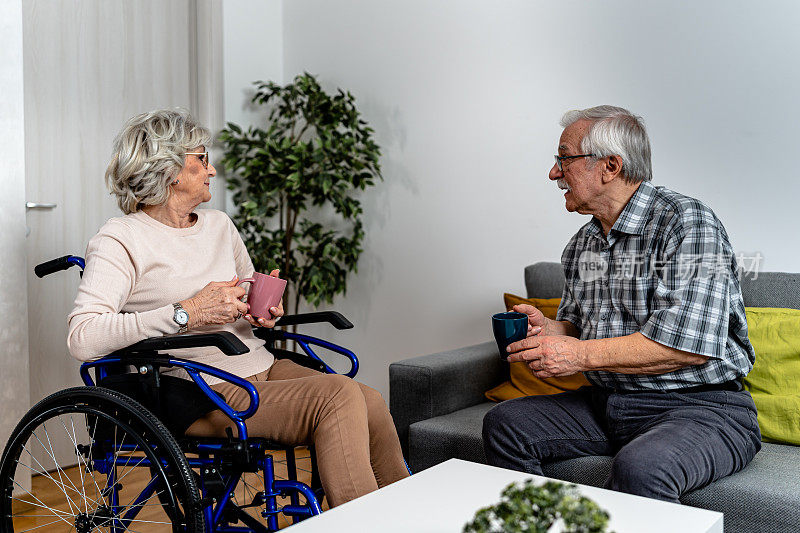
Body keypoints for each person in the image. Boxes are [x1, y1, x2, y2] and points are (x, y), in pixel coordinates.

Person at [68, 108, 409, 507]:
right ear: (171, 169)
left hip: (259, 364)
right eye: (202, 159)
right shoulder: (120, 239)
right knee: (336, 395)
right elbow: (83, 336)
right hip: (200, 387)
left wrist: (260, 308)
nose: (212, 171)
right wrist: (186, 312)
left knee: (367, 398)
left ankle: (404, 515)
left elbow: (244, 297)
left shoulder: (219, 225)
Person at [482, 105, 761, 503]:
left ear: (610, 166)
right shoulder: (582, 244)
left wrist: (578, 355)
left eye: (564, 159)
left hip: (702, 408)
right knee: (505, 424)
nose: (554, 173)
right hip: (608, 404)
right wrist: (549, 329)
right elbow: (579, 327)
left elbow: (688, 345)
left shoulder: (686, 222)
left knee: (641, 469)